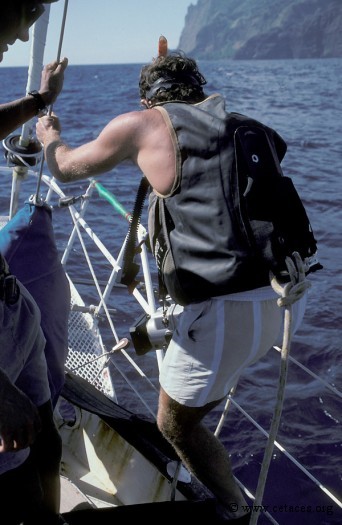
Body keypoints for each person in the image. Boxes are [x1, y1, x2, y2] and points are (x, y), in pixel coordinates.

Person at [36, 51, 309, 524]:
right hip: (287, 300)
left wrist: (50, 135)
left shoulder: (142, 124)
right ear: (201, 89)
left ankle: (234, 508)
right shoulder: (252, 128)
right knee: (204, 385)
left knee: (173, 424)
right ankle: (201, 413)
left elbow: (64, 168)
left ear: (147, 99)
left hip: (226, 311)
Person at [0, 1, 68, 523]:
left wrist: (40, 99)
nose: (26, 36)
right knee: (14, 482)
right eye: (26, 11)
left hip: (14, 313)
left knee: (45, 447)